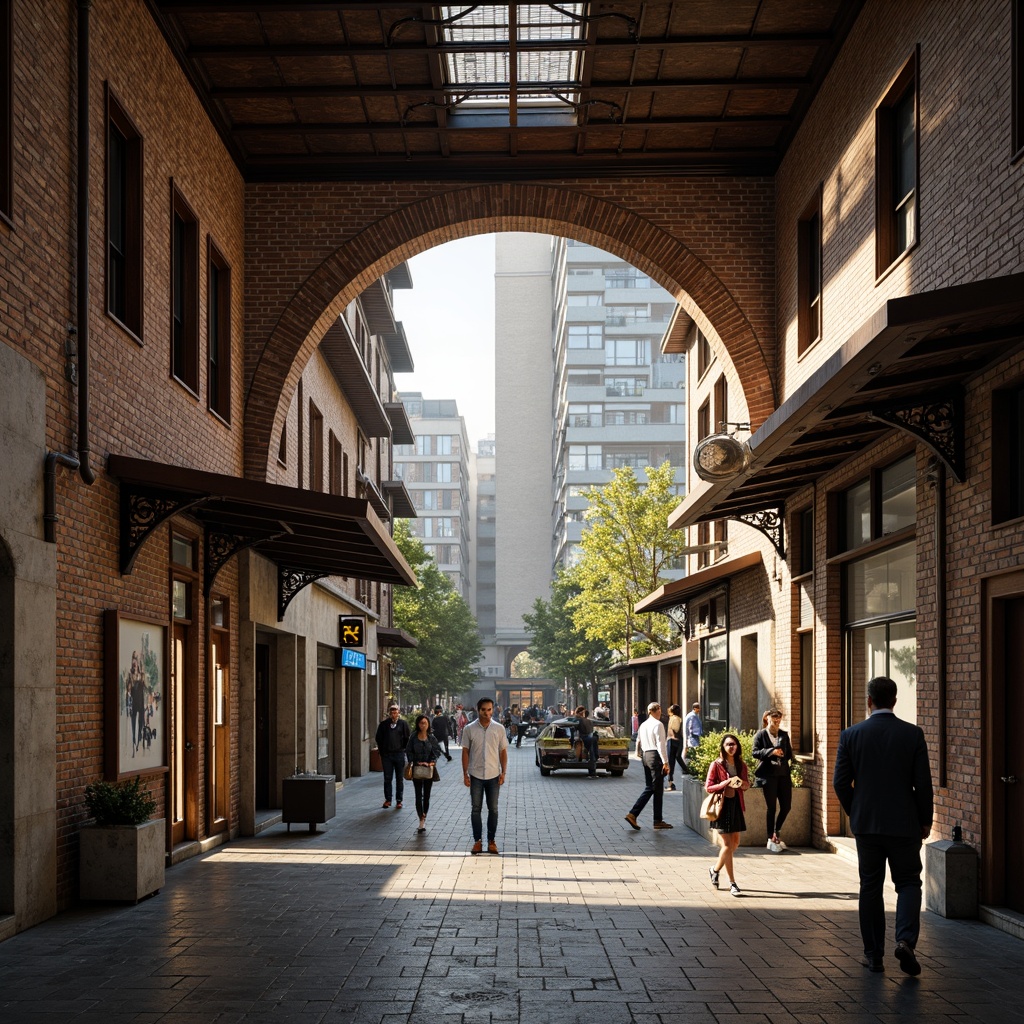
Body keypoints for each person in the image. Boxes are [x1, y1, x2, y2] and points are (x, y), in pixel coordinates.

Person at [833, 675, 933, 976]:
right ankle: (904, 941)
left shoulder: (851, 735)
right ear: (895, 700)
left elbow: (840, 782)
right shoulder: (912, 734)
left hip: (867, 826)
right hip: (904, 824)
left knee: (871, 887)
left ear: (869, 701)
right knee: (908, 883)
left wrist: (857, 811)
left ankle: (873, 956)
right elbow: (923, 785)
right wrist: (925, 821)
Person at [461, 697, 509, 855]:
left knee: (493, 809)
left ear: (493, 710)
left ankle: (491, 841)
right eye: (483, 710)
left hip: (493, 775)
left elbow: (503, 751)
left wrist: (503, 772)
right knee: (476, 809)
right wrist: (465, 774)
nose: (487, 713)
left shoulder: (499, 729)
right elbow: (465, 752)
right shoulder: (469, 729)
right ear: (477, 709)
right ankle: (477, 841)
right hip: (475, 775)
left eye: (489, 709)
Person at [706, 734, 750, 896]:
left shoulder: (741, 765)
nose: (732, 747)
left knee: (735, 844)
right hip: (722, 807)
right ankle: (732, 883)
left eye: (734, 744)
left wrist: (744, 784)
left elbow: (746, 783)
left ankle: (714, 869)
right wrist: (725, 783)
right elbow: (709, 787)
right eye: (728, 744)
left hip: (736, 805)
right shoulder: (716, 765)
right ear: (723, 747)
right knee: (727, 845)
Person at [624, 701, 673, 830]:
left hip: (646, 756)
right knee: (654, 788)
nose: (660, 713)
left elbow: (638, 741)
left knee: (652, 787)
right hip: (655, 756)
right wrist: (666, 762)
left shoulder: (644, 725)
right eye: (659, 711)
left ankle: (654, 818)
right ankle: (637, 814)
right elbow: (661, 744)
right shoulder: (658, 725)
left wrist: (638, 754)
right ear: (656, 711)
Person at [752, 707, 794, 852]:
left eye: (779, 718)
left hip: (783, 775)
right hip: (768, 776)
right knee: (772, 808)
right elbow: (755, 752)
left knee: (786, 806)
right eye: (773, 717)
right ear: (767, 718)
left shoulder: (784, 735)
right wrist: (771, 751)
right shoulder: (760, 735)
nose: (776, 720)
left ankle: (777, 830)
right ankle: (770, 837)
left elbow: (789, 754)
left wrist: (783, 753)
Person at [407, 714, 442, 833]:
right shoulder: (413, 737)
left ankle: (424, 816)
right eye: (421, 723)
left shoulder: (431, 738)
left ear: (428, 725)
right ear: (418, 724)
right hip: (417, 769)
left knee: (426, 795)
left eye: (425, 723)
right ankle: (420, 818)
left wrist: (431, 762)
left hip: (428, 770)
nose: (423, 725)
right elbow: (408, 751)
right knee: (418, 795)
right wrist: (415, 762)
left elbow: (437, 751)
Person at [374, 704, 411, 809]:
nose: (393, 714)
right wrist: (382, 751)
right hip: (387, 755)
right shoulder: (384, 724)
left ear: (399, 713)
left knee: (399, 778)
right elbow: (378, 738)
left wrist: (404, 750)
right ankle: (388, 799)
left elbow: (407, 738)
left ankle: (399, 800)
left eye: (395, 712)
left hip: (399, 754)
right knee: (387, 778)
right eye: (392, 712)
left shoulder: (403, 724)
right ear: (389, 713)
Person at [573, 706, 599, 778]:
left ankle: (592, 772)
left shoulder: (579, 720)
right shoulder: (589, 721)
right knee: (592, 755)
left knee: (592, 754)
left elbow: (575, 730)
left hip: (586, 739)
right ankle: (592, 772)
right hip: (591, 739)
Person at [665, 704, 686, 790]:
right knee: (676, 758)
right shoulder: (678, 718)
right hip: (677, 740)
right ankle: (686, 769)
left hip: (672, 740)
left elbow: (675, 729)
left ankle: (671, 783)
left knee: (671, 762)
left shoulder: (674, 718)